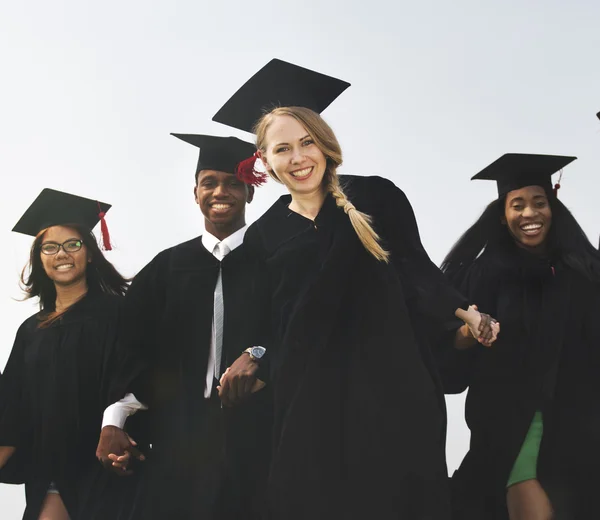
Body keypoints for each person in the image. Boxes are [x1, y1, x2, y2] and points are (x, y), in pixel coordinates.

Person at [212, 58, 499, 520]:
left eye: (307, 142)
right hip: (309, 390)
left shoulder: (375, 196)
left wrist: (466, 312)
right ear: (262, 160)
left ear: (325, 144)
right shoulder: (263, 236)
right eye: (282, 149)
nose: (299, 157)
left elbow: (414, 267)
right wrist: (256, 354)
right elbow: (269, 320)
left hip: (391, 379)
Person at [96, 134, 271, 520]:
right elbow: (132, 348)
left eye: (233, 182)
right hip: (181, 438)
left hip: (261, 433)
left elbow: (298, 328)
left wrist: (262, 356)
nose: (220, 191)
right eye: (209, 182)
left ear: (250, 193)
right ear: (195, 193)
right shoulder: (166, 267)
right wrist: (115, 417)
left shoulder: (275, 258)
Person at [441, 153, 600, 520]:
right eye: (518, 205)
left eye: (539, 202)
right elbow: (449, 360)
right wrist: (468, 332)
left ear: (553, 208)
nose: (529, 213)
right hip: (509, 421)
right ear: (503, 215)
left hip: (577, 422)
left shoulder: (583, 273)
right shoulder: (483, 274)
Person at [0, 189, 137, 520]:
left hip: (107, 467)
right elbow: (11, 410)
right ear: (40, 259)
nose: (61, 254)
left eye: (72, 244)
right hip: (48, 469)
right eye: (50, 247)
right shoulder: (32, 331)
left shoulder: (119, 314)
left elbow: (139, 380)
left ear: (89, 254)